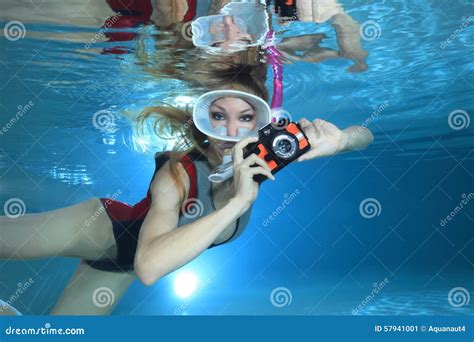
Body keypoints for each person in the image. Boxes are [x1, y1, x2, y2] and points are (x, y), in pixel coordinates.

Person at [0, 80, 373, 314]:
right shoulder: (177, 173)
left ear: (264, 123)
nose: (230, 131)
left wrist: (340, 140)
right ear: (203, 120)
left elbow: (365, 134)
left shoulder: (273, 153)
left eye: (246, 118)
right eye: (218, 116)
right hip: (97, 228)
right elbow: (150, 266)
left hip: (118, 268)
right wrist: (239, 202)